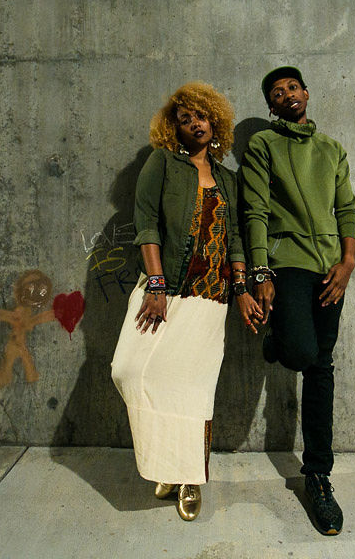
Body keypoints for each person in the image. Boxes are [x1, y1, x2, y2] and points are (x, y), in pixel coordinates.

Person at [111, 82, 261, 521]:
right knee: (130, 369)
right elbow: (147, 223)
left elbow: (235, 239)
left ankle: (189, 477)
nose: (194, 123)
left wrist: (242, 290)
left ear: (215, 122)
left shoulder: (228, 180)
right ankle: (166, 463)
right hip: (167, 289)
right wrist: (155, 286)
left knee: (192, 391)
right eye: (184, 118)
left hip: (211, 298)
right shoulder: (163, 164)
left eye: (201, 116)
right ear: (172, 127)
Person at [240, 66, 355, 535]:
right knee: (301, 352)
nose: (286, 94)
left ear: (306, 94)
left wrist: (347, 263)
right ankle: (279, 341)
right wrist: (260, 272)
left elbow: (346, 207)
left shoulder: (332, 149)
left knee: (321, 367)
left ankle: (318, 477)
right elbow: (256, 211)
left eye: (292, 87)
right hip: (286, 261)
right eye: (276, 92)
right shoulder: (263, 147)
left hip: (330, 266)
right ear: (271, 107)